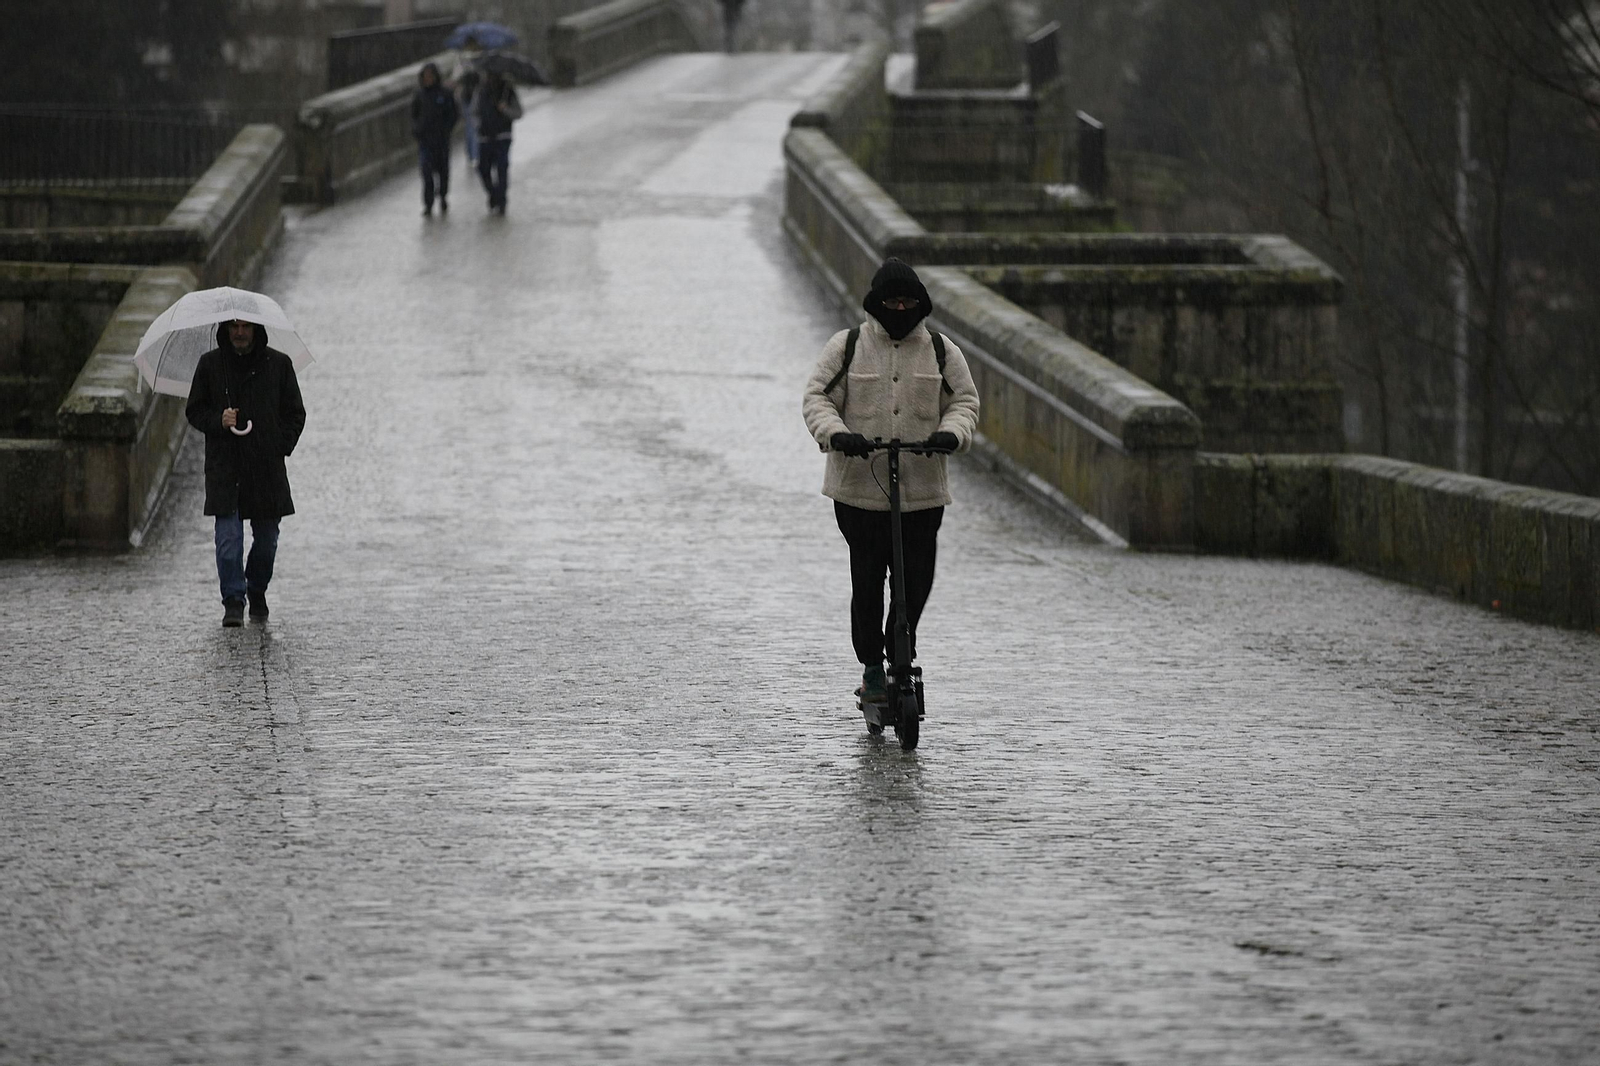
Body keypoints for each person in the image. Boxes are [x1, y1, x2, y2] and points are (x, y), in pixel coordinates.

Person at [801, 258, 980, 704]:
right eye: (892, 302)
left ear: (920, 305)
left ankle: (901, 645)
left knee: (915, 579)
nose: (900, 309)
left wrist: (951, 433)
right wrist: (838, 434)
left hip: (922, 492)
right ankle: (871, 667)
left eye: (908, 302)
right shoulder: (847, 346)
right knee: (866, 579)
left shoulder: (941, 351)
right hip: (859, 492)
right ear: (876, 304)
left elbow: (965, 401)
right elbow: (817, 398)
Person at [185, 319, 307, 628]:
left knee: (267, 542)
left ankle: (256, 588)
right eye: (234, 327)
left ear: (256, 330)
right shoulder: (211, 365)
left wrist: (280, 443)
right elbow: (194, 410)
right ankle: (234, 601)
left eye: (246, 327)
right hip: (225, 468)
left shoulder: (278, 364)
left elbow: (295, 413)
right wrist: (218, 420)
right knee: (228, 543)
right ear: (226, 329)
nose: (240, 333)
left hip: (266, 469)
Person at [411, 62, 458, 216]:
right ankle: (428, 203)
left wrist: (446, 130)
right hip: (425, 141)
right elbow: (414, 115)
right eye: (425, 77)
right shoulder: (419, 95)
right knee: (426, 173)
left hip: (441, 141)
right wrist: (417, 131)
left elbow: (453, 114)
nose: (428, 79)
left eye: (430, 76)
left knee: (443, 172)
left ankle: (443, 196)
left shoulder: (445, 94)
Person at [474, 70, 522, 214]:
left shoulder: (507, 91)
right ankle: (494, 194)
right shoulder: (481, 91)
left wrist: (505, 109)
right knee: (483, 169)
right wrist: (478, 124)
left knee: (501, 168)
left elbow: (518, 112)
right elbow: (473, 112)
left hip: (502, 136)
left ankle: (501, 200)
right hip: (485, 137)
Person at [448, 36, 483, 166]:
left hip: (467, 96)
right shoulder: (470, 59)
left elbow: (455, 78)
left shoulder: (462, 59)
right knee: (472, 125)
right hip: (469, 96)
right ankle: (474, 154)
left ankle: (471, 152)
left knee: (470, 125)